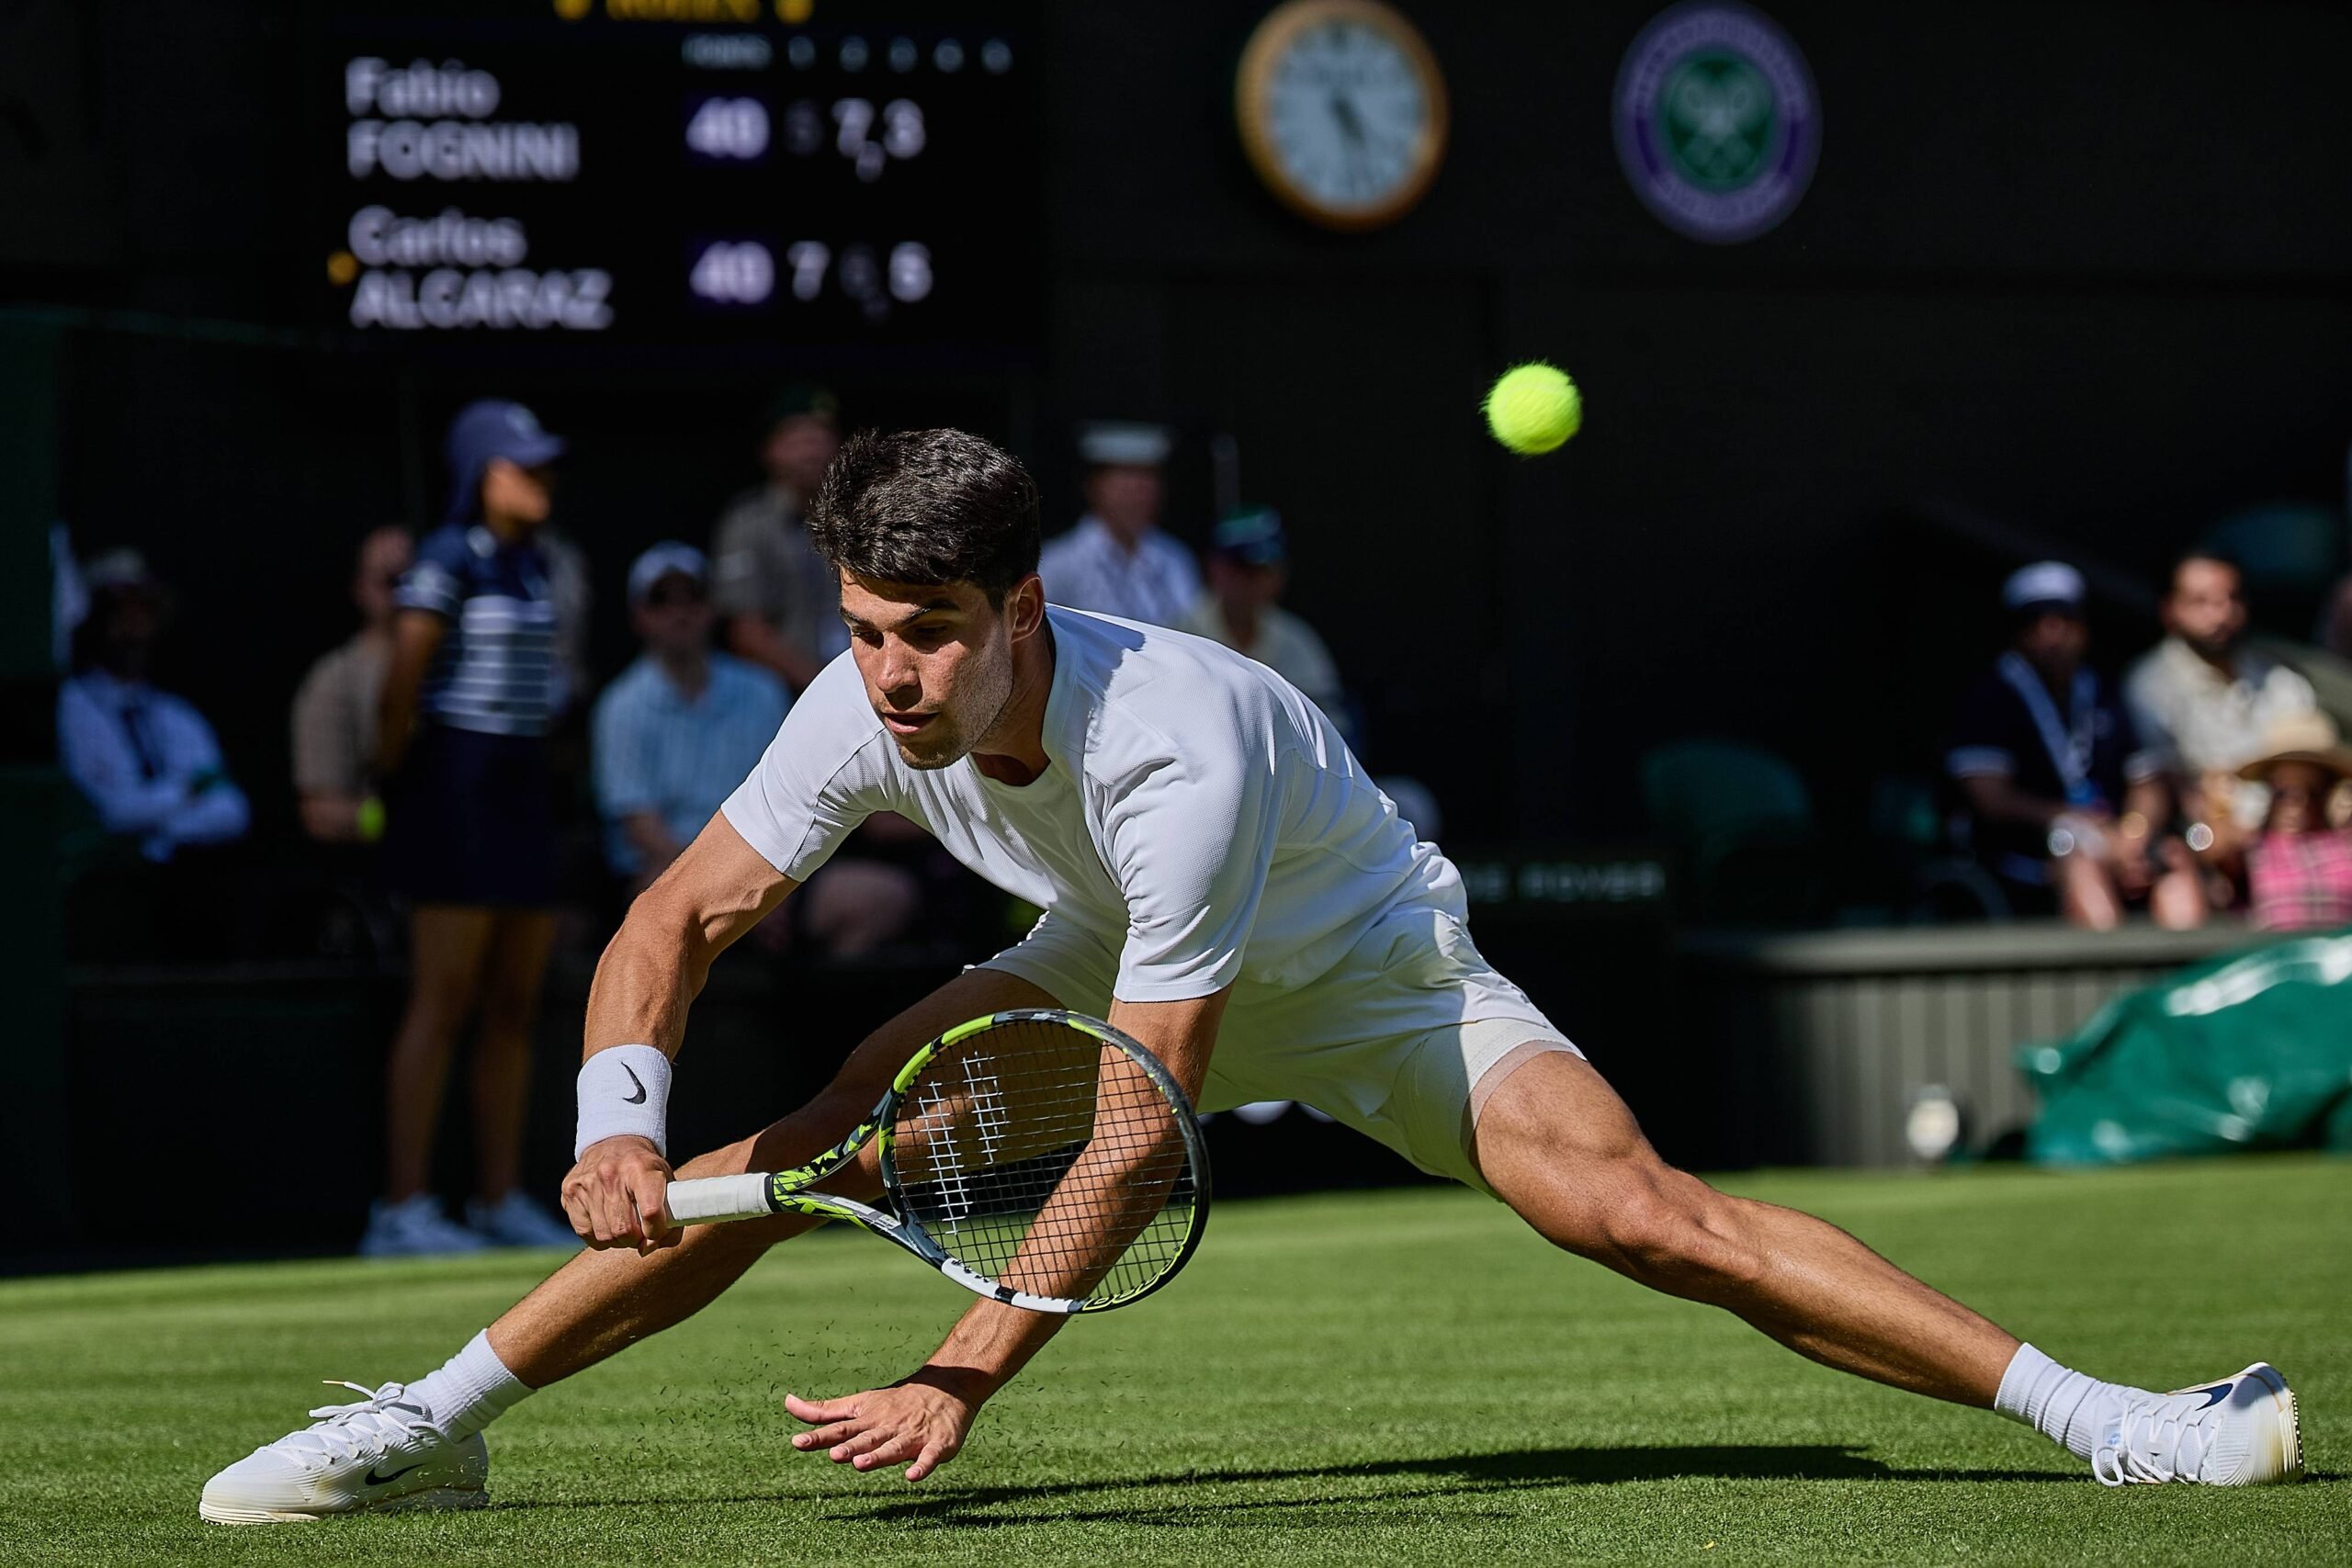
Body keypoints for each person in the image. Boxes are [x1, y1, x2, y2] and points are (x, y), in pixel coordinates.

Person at [201, 432, 2301, 1524]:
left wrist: (963, 1363)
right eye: (861, 625)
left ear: (1020, 603)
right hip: (1101, 949)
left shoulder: (1178, 735)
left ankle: (2104, 1412)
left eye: (926, 629)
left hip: (1372, 966)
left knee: (1638, 1214)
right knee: (825, 1115)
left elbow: (1142, 1112)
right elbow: (673, 918)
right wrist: (614, 1123)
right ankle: (442, 1413)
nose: (888, 672)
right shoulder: (857, 704)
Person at [364, 400, 581, 1258]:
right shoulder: (447, 558)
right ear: (478, 474)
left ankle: (495, 1198)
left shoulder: (537, 564)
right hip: (454, 788)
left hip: (523, 784)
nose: (539, 479)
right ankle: (403, 1206)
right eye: (519, 464)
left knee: (514, 1004)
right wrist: (399, 783)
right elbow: (403, 678)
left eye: (543, 463)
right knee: (443, 999)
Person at [592, 543, 919, 953]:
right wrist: (728, 887)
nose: (679, 612)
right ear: (639, 616)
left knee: (884, 898)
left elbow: (798, 798)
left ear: (711, 608)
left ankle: (814, 1015)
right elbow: (642, 830)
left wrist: (771, 885)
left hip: (768, 867)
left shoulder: (761, 691)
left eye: (692, 596)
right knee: (649, 906)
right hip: (672, 870)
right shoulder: (620, 706)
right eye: (661, 600)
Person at [1947, 562, 2204, 930]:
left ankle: (2186, 973)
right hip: (2029, 855)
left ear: (2083, 627)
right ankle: (2111, 973)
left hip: (2114, 837)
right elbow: (1991, 799)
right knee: (2079, 859)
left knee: (2173, 859)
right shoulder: (1991, 698)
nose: (2052, 634)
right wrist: (2072, 820)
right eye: (2036, 622)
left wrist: (2134, 833)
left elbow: (2147, 780)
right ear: (2017, 633)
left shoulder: (2103, 690)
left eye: (2064, 619)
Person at [58, 550, 251, 865]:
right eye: (120, 610)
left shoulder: (178, 716)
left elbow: (232, 811)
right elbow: (114, 813)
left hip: (172, 882)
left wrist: (158, 837)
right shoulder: (69, 708)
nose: (133, 625)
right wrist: (189, 790)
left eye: (144, 609)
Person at [2123, 549, 2318, 840]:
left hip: (2290, 837)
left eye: (2232, 599)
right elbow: (2166, 787)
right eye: (2201, 602)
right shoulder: (2149, 687)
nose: (2221, 614)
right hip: (2202, 844)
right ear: (2169, 610)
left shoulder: (2279, 679)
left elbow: (2311, 762)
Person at [710, 384, 847, 695]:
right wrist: (823, 687)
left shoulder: (860, 514)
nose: (811, 450)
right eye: (797, 438)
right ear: (770, 450)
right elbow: (745, 631)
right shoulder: (748, 522)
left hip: (864, 684)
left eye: (820, 436)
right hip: (781, 694)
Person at [290, 526, 413, 846]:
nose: (405, 592)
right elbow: (318, 812)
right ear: (360, 589)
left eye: (415, 579)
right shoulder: (335, 678)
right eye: (390, 580)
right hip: (393, 869)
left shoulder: (462, 663)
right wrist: (396, 819)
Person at [1178, 505, 1343, 716]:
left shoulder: (1296, 641)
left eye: (1265, 569)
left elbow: (1330, 722)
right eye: (1243, 567)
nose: (1254, 581)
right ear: (1215, 568)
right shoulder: (1182, 634)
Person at [1035, 421, 1200, 626]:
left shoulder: (1174, 559)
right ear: (1094, 485)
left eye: (1149, 477)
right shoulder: (1059, 564)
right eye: (1127, 477)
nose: (1141, 490)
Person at [2199, 713, 2352, 932]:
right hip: (2275, 960)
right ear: (2271, 789)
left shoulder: (2344, 845)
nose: (2297, 804)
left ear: (2326, 791)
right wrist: (2217, 801)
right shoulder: (2253, 847)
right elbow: (2212, 849)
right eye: (2285, 792)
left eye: (2310, 791)